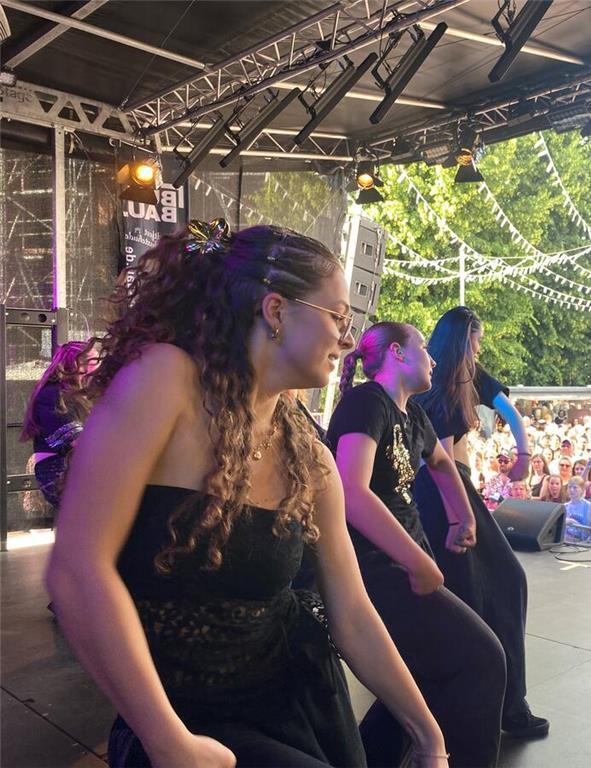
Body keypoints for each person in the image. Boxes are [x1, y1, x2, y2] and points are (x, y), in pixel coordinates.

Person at [47, 221, 447, 768]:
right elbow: (77, 568)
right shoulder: (166, 379)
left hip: (299, 707)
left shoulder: (310, 456)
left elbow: (351, 610)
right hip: (180, 724)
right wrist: (167, 741)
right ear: (277, 311)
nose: (349, 339)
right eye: (338, 316)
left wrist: (429, 736)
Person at [329, 321, 508, 767]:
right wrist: (417, 561)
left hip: (406, 564)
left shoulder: (415, 415)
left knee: (420, 680)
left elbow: (444, 466)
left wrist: (462, 516)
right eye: (423, 348)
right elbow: (351, 492)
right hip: (373, 569)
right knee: (483, 659)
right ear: (397, 353)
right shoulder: (365, 403)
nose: (432, 358)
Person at [411, 306, 549, 740]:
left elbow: (506, 410)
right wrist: (522, 457)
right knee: (505, 583)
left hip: (431, 492)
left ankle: (450, 701)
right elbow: (447, 455)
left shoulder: (442, 373)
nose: (481, 346)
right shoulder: (452, 380)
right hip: (447, 487)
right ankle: (506, 707)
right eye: (478, 338)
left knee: (460, 593)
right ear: (465, 338)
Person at [20, 340, 96, 508]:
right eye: (92, 362)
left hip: (75, 467)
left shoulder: (80, 394)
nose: (96, 369)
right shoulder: (52, 394)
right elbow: (76, 441)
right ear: (75, 364)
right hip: (57, 470)